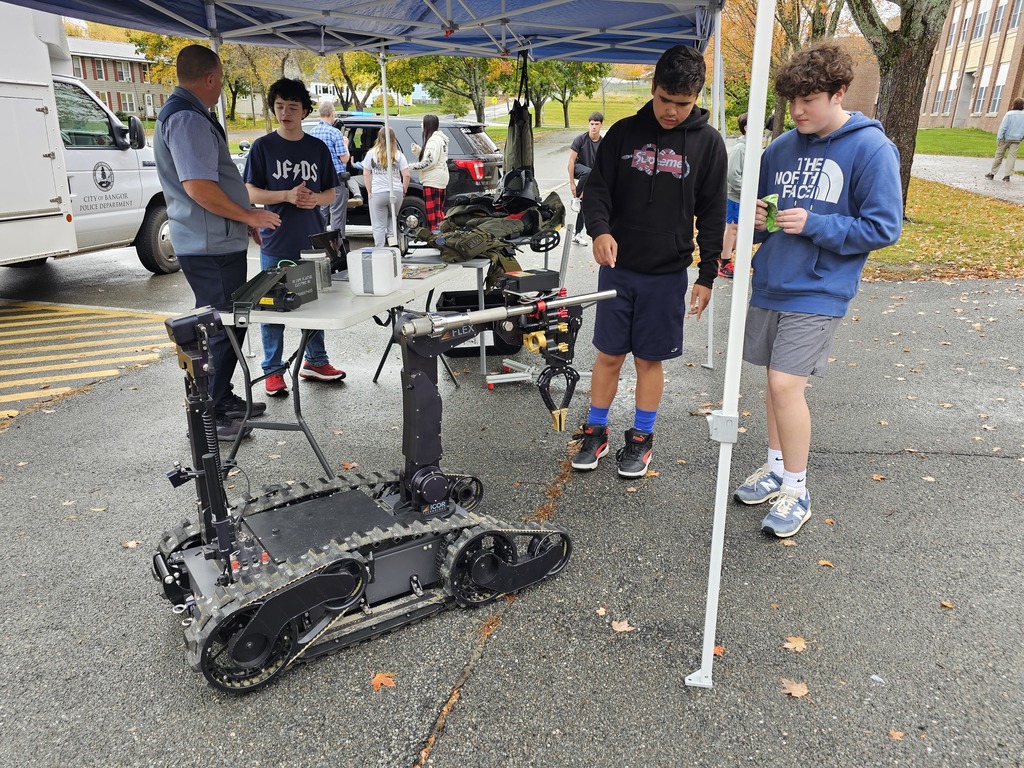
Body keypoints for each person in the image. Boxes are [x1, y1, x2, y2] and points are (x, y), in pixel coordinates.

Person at [732, 42, 903, 538]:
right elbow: (765, 218)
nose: (798, 110)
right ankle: (775, 468)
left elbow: (883, 227)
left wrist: (816, 225)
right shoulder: (781, 148)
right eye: (792, 101)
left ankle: (797, 489)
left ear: (840, 93)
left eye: (809, 99)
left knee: (787, 385)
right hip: (772, 281)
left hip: (820, 287)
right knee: (773, 383)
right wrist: (756, 225)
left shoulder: (871, 148)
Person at [571, 46, 726, 478]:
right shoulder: (622, 133)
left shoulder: (709, 144)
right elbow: (597, 190)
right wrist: (599, 229)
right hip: (618, 270)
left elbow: (713, 212)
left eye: (683, 104)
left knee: (648, 361)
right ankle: (595, 430)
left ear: (695, 98)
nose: (672, 112)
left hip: (667, 273)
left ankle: (641, 438)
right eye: (664, 100)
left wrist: (708, 274)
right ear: (652, 88)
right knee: (608, 355)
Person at [153, 44, 280, 441]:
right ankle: (210, 417)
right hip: (209, 246)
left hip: (217, 240)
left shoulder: (189, 114)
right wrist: (248, 216)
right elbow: (199, 188)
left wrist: (244, 225)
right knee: (221, 328)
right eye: (222, 79)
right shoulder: (187, 119)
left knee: (229, 325)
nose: (222, 86)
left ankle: (222, 398)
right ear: (210, 78)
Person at [243, 78, 344, 398]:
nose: (285, 113)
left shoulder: (316, 148)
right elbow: (249, 190)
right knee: (273, 308)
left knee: (312, 304)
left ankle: (316, 361)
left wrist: (316, 199)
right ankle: (272, 371)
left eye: (292, 107)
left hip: (311, 239)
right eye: (280, 106)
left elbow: (331, 191)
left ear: (305, 111)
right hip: (275, 239)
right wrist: (285, 194)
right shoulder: (263, 147)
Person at [307, 100, 351, 233]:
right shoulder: (335, 133)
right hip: (335, 179)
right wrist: (346, 145)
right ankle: (337, 245)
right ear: (332, 114)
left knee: (322, 213)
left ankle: (321, 242)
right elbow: (344, 158)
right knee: (337, 213)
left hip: (318, 180)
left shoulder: (312, 133)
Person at [363, 127, 411, 247]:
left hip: (378, 192)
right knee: (392, 219)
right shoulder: (398, 155)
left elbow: (366, 173)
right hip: (396, 192)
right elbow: (406, 175)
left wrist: (369, 191)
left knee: (378, 224)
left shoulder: (371, 154)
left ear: (378, 138)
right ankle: (393, 247)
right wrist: (404, 190)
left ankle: (379, 250)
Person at [567, 112, 604, 245]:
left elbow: (603, 165)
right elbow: (570, 162)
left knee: (585, 204)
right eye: (591, 124)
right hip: (578, 169)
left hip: (591, 176)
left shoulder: (603, 142)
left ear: (601, 125)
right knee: (587, 172)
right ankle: (576, 198)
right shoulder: (580, 139)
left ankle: (577, 234)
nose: (594, 127)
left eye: (596, 124)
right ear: (589, 124)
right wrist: (572, 183)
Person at [408, 114, 449, 231]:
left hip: (432, 180)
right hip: (440, 178)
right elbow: (434, 158)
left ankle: (437, 237)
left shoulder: (433, 141)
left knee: (433, 214)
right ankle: (440, 236)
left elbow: (429, 162)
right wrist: (419, 152)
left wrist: (411, 167)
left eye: (422, 122)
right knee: (438, 211)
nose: (421, 125)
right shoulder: (440, 139)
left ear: (428, 125)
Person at [720, 112, 748, 279]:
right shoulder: (740, 148)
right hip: (735, 197)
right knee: (732, 229)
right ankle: (724, 263)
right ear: (746, 128)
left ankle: (723, 253)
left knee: (739, 231)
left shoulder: (749, 148)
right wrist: (746, 190)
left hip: (745, 198)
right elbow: (732, 175)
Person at [985, 96, 1024, 182]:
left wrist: (999, 138)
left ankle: (992, 173)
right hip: (1017, 139)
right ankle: (1007, 176)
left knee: (999, 156)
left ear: (1014, 104)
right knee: (1012, 157)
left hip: (1006, 138)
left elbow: (1003, 127)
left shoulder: (1009, 114)